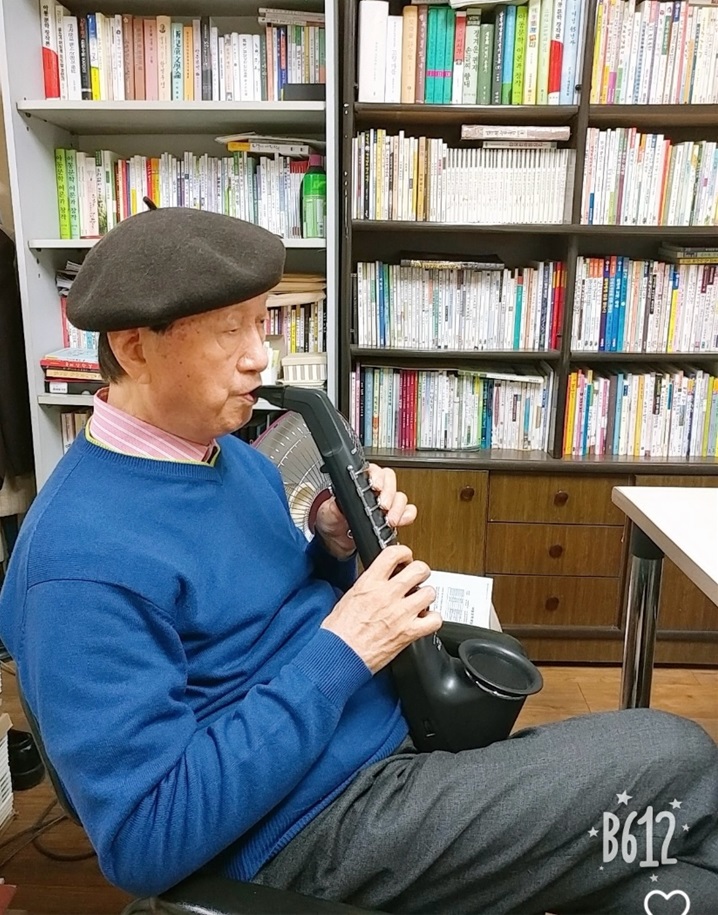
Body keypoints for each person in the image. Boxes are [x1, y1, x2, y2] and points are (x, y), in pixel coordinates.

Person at [0, 208, 716, 915]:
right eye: (229, 330)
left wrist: (335, 546)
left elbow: (271, 619)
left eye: (261, 323)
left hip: (390, 746)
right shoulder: (76, 564)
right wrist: (345, 649)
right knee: (674, 752)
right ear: (134, 348)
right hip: (309, 829)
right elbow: (145, 840)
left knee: (675, 879)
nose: (259, 356)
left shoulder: (231, 459)